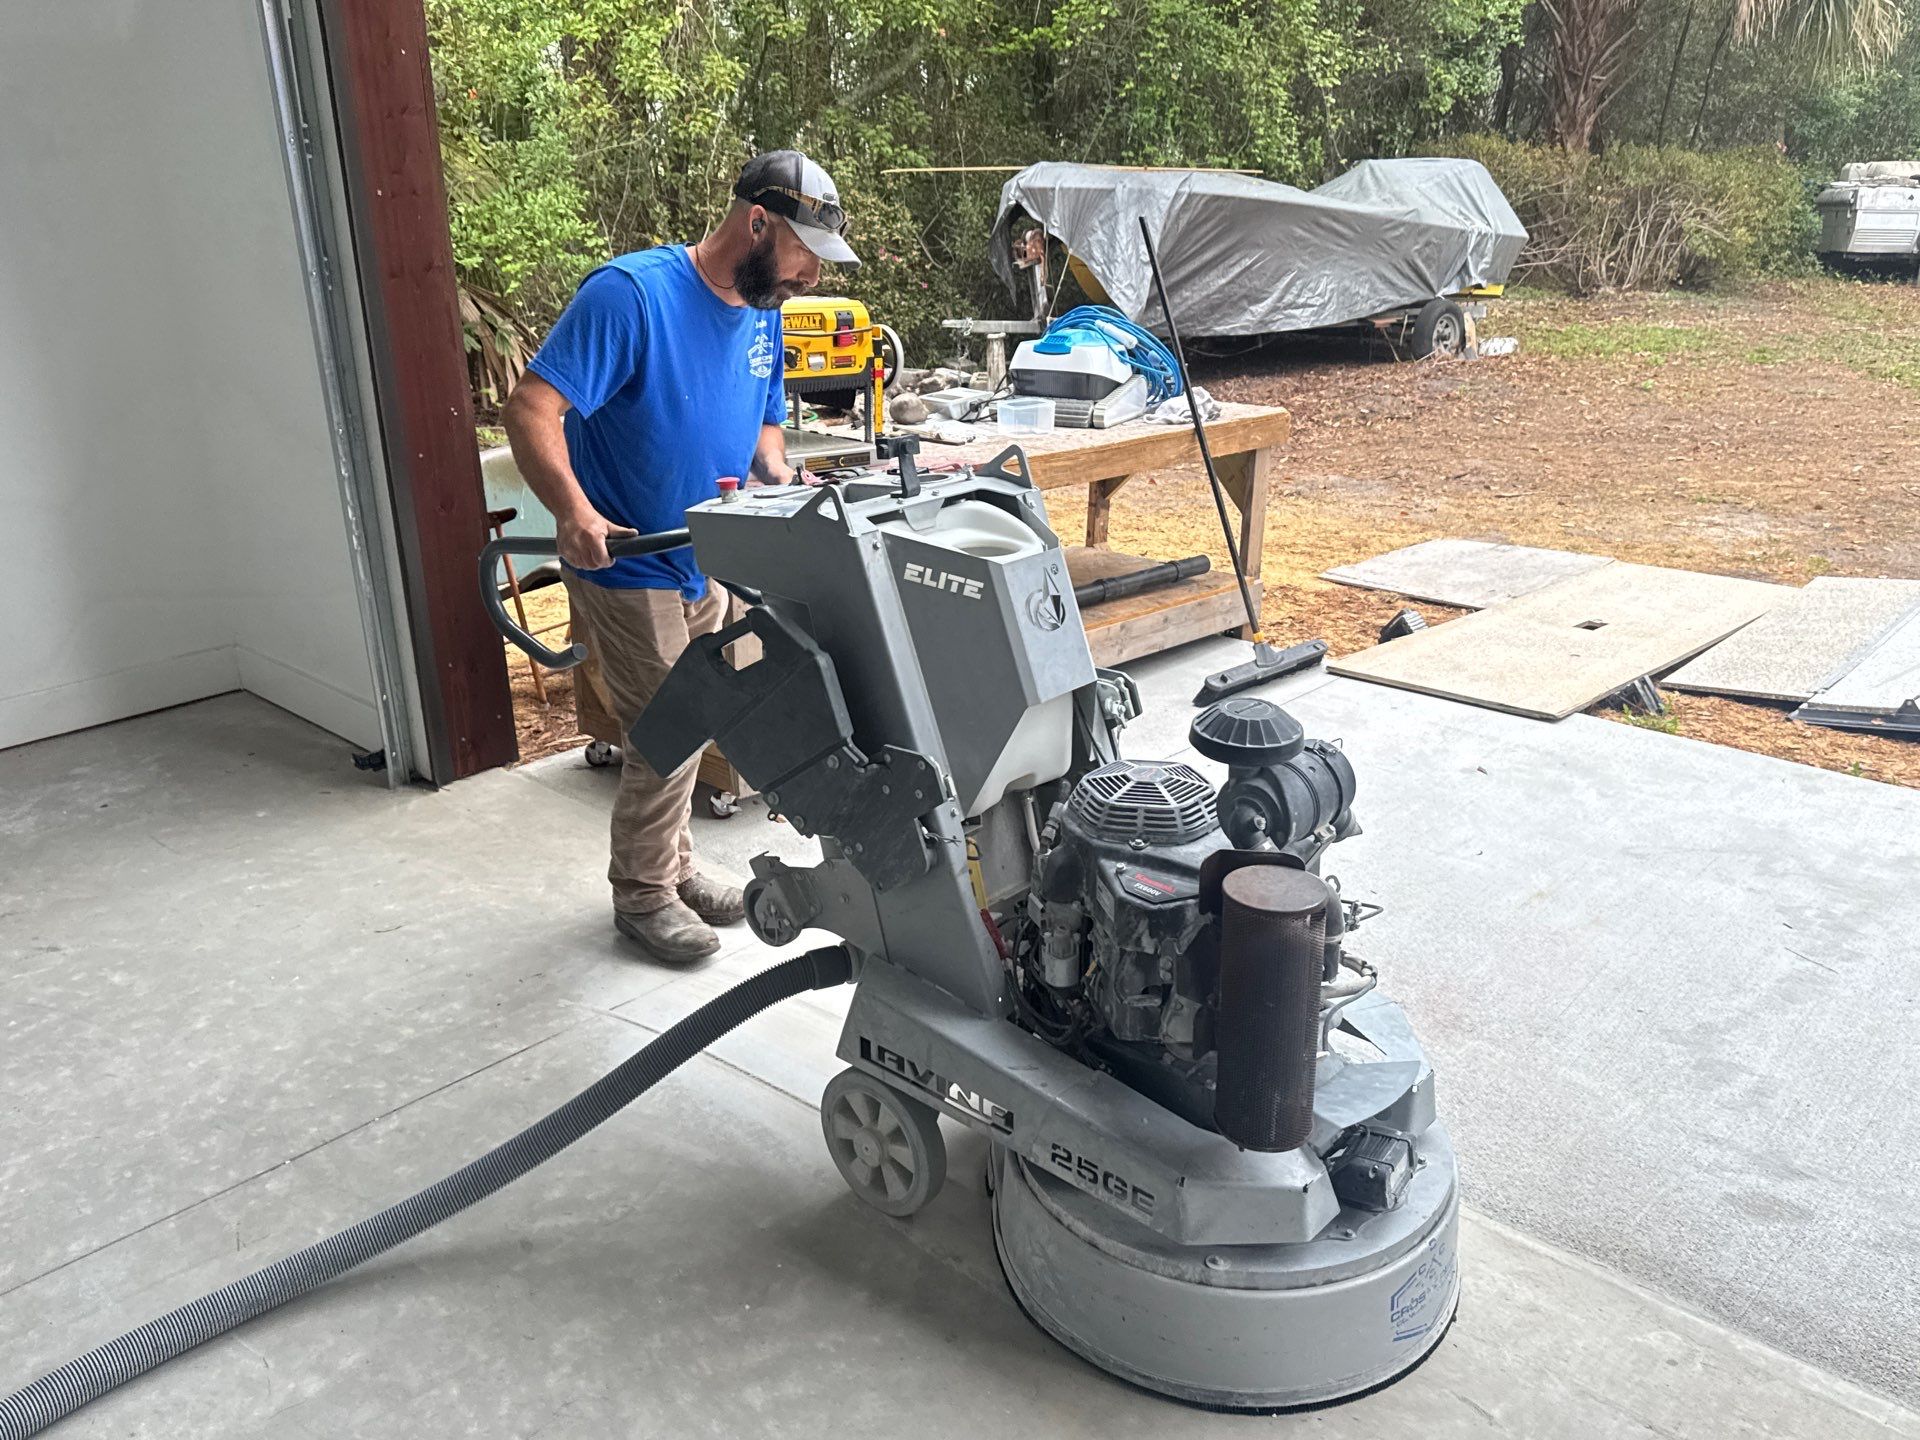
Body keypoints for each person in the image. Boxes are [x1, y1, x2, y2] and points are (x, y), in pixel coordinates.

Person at [502, 150, 859, 962]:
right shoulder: (631, 297)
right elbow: (530, 406)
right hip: (630, 559)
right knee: (670, 729)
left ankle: (675, 865)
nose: (808, 275)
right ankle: (642, 896)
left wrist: (782, 476)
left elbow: (766, 421)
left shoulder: (765, 307)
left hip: (713, 556)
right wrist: (573, 510)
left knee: (708, 715)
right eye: (803, 252)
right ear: (757, 222)